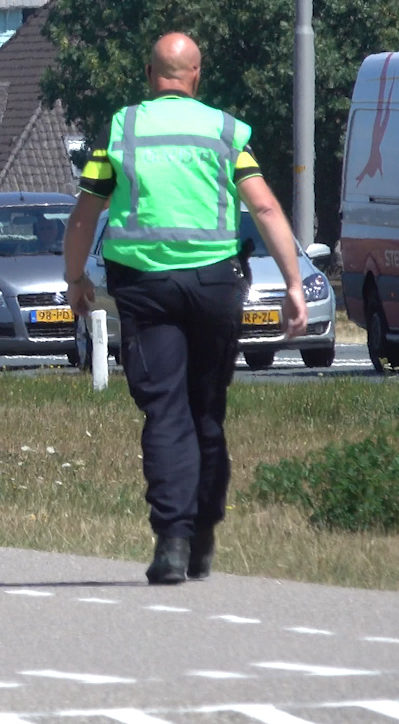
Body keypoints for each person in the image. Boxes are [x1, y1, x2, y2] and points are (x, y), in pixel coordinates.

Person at [63, 33, 306, 585]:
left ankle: (172, 540)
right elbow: (264, 204)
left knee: (165, 411)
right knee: (206, 410)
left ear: (151, 74)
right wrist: (293, 282)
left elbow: (84, 214)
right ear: (196, 76)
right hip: (216, 286)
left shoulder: (122, 131)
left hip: (146, 289)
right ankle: (202, 536)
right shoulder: (225, 132)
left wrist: (75, 278)